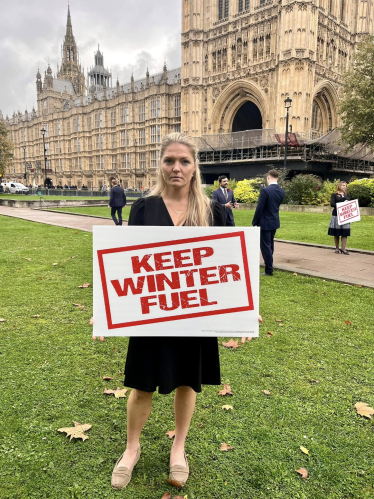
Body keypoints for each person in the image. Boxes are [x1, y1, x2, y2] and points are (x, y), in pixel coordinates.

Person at [107, 133, 225, 490]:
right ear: (160, 165)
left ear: (194, 167)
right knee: (142, 385)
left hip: (195, 315)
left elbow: (226, 267)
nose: (176, 167)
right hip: (151, 313)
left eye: (184, 161)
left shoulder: (214, 211)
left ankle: (179, 448)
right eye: (169, 160)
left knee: (188, 381)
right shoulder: (143, 208)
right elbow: (127, 266)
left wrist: (246, 308)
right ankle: (132, 447)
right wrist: (107, 306)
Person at [252, 169, 285, 276]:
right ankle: (269, 265)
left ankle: (269, 269)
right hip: (274, 221)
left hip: (264, 222)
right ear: (278, 178)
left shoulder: (265, 191)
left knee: (265, 246)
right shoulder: (281, 191)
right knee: (270, 245)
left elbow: (259, 208)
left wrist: (254, 222)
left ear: (268, 177)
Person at [328, 181, 351, 255]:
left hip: (345, 216)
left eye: (345, 186)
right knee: (336, 232)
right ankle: (337, 248)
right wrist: (342, 204)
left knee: (345, 233)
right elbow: (332, 204)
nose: (345, 187)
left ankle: (343, 249)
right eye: (343, 185)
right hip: (336, 215)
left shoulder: (347, 195)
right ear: (339, 186)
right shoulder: (334, 195)